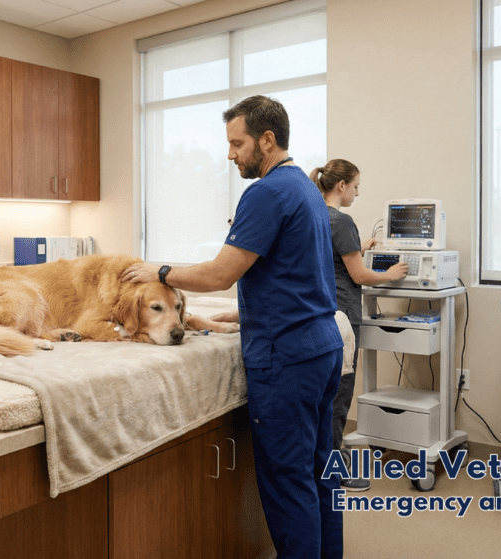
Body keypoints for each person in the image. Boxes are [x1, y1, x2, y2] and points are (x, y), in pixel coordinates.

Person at [122, 95, 344, 558]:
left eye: (236, 143)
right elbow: (303, 275)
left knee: (288, 480)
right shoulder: (305, 188)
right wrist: (251, 313)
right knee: (321, 469)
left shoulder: (266, 193)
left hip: (288, 358)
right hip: (322, 347)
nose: (230, 154)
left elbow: (219, 275)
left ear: (267, 139)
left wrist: (158, 272)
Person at [310, 159, 409, 492]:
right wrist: (389, 275)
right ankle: (335, 473)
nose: (356, 193)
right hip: (342, 320)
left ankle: (322, 461)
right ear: (341, 186)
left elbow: (333, 257)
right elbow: (359, 275)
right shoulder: (342, 221)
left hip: (318, 314)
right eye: (355, 187)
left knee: (324, 397)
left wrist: (358, 247)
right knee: (339, 397)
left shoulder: (312, 215)